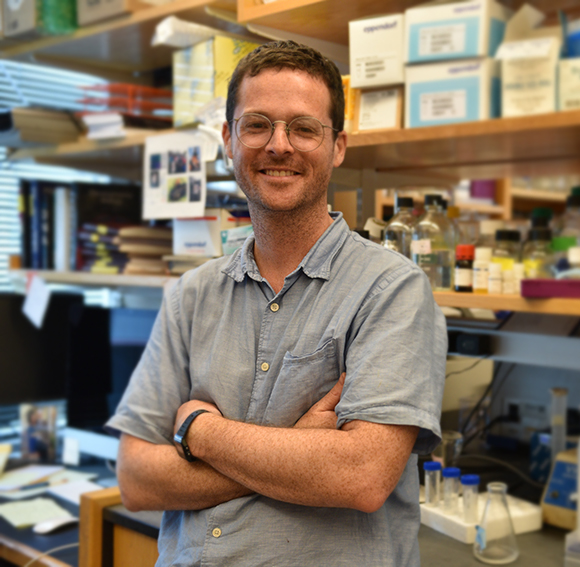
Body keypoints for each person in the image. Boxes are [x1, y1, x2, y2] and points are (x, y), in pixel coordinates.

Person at [106, 40, 447, 567]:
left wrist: (199, 430)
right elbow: (135, 478)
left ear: (337, 147)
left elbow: (360, 476)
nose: (279, 146)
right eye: (257, 124)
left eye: (304, 128)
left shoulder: (391, 290)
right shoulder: (191, 295)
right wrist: (296, 449)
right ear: (229, 139)